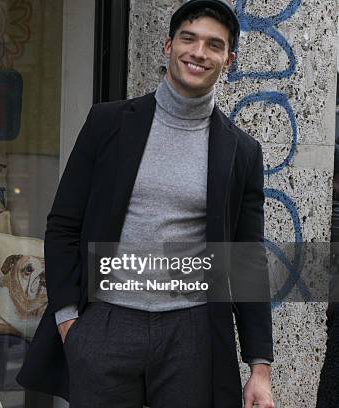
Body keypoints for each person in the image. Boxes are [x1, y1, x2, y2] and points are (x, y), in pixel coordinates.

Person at [16, 1, 274, 407]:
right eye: (188, 38)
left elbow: (247, 259)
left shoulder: (241, 151)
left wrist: (260, 367)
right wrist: (68, 320)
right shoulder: (108, 123)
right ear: (168, 45)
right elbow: (63, 223)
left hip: (192, 332)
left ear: (229, 60)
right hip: (106, 322)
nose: (198, 52)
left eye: (213, 45)